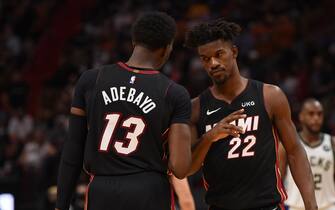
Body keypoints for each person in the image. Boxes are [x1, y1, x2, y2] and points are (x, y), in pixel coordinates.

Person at [55, 12, 193, 210]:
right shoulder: (175, 93)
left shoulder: (91, 80)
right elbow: (180, 168)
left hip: (102, 190)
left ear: (134, 40)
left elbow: (73, 148)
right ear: (167, 48)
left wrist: (61, 206)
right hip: (149, 191)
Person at [184, 18, 318, 210]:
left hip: (267, 206)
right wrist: (209, 137)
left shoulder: (270, 96)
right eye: (205, 59)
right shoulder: (196, 108)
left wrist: (311, 206)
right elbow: (188, 168)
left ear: (234, 52)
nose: (213, 63)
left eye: (219, 54)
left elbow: (295, 151)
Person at [281, 98, 335, 210]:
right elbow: (278, 177)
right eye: (311, 114)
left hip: (328, 206)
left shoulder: (332, 142)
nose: (316, 118)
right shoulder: (288, 143)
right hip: (295, 206)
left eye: (319, 114)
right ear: (301, 116)